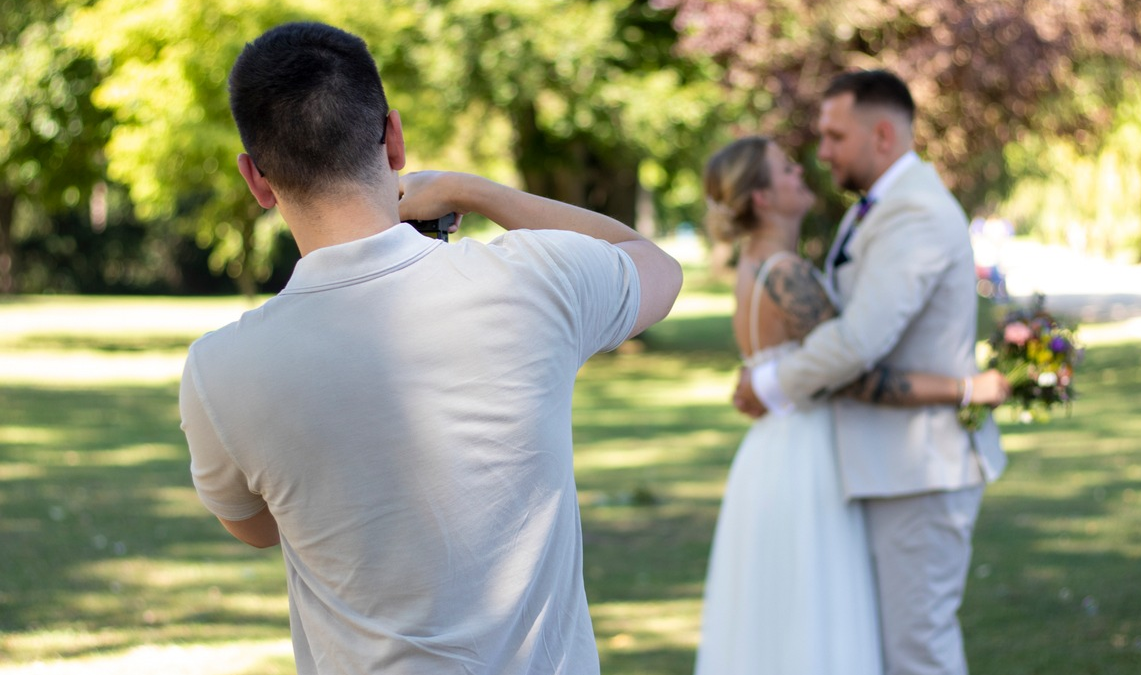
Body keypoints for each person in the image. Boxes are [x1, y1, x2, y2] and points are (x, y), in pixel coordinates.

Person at [178, 22, 682, 675]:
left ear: (257, 180)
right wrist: (477, 191)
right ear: (392, 137)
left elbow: (256, 525)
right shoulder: (532, 281)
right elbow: (654, 266)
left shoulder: (219, 370)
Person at [695, 136, 1010, 675]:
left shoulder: (755, 265)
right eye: (786, 169)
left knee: (780, 621)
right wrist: (965, 389)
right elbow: (852, 377)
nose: (801, 171)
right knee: (815, 619)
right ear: (763, 198)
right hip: (804, 456)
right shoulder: (785, 272)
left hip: (770, 451)